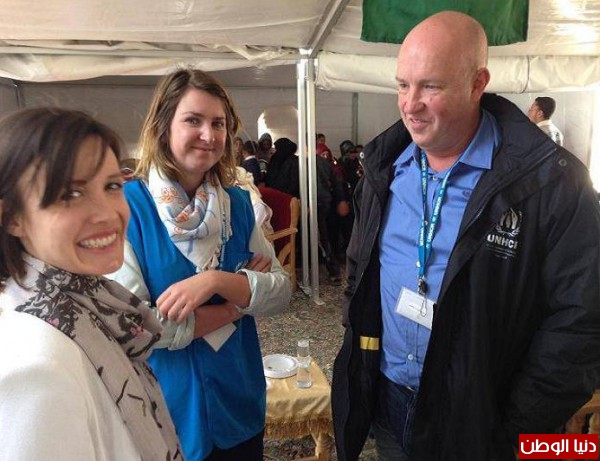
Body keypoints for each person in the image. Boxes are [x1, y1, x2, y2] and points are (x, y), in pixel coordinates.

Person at [332, 11, 600, 461]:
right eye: (403, 85)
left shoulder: (551, 182)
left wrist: (514, 428)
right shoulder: (385, 168)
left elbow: (582, 321)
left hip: (482, 420)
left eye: (430, 86)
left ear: (478, 83)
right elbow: (360, 268)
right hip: (389, 399)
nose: (410, 104)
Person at [109, 68, 291, 461]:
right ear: (163, 127)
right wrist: (235, 306)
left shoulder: (238, 205)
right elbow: (135, 326)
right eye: (193, 120)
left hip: (238, 399)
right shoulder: (128, 209)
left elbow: (280, 292)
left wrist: (216, 281)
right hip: (168, 410)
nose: (208, 135)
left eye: (218, 123)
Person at [0, 108, 182, 460]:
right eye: (70, 193)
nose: (107, 213)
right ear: (12, 218)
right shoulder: (37, 366)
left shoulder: (95, 303)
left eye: (112, 186)